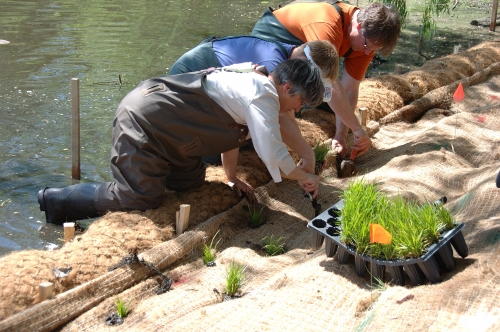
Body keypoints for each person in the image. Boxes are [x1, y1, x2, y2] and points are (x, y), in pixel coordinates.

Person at [37, 59, 325, 224]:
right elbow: (272, 155)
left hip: (175, 135)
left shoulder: (256, 82)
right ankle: (55, 200)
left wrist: (232, 177)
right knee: (139, 198)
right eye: (300, 101)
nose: (297, 109)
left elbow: (232, 133)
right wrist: (304, 176)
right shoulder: (262, 93)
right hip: (145, 121)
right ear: (287, 87)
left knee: (189, 186)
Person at [251, 1, 402, 157]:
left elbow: (349, 90)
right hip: (270, 44)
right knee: (276, 105)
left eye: (372, 50)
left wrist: (342, 135)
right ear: (359, 26)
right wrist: (357, 129)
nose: (367, 53)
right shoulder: (327, 22)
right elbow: (329, 82)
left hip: (304, 58)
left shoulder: (365, 44)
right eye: (366, 46)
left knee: (321, 102)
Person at [170, 36, 339, 168]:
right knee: (214, 155)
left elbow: (288, 116)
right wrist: (306, 155)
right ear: (304, 65)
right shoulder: (273, 66)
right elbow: (278, 119)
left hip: (217, 86)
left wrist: (303, 153)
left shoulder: (288, 70)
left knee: (248, 138)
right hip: (191, 76)